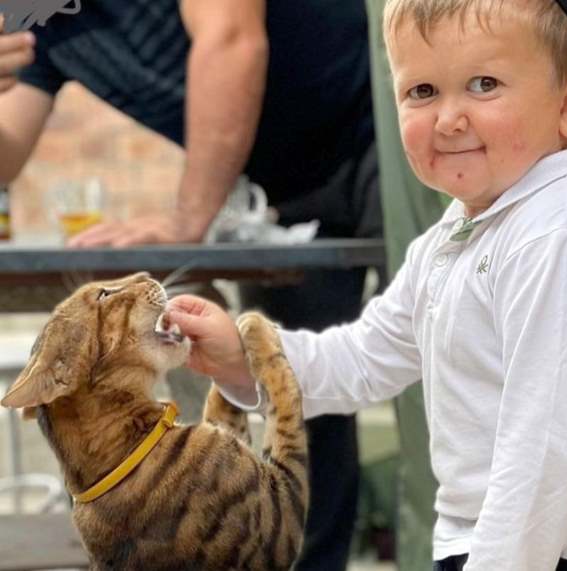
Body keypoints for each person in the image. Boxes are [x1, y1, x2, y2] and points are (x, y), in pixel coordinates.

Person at [168, 0, 567, 569]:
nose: (448, 119)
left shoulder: (562, 239)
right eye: (422, 91)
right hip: (498, 540)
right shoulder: (454, 237)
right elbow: (363, 358)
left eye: (484, 84)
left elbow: (544, 456)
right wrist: (244, 361)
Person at [0, 2, 379, 569]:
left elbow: (231, 40)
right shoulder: (36, 18)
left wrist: (187, 221)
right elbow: (6, 153)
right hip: (283, 189)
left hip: (382, 130)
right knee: (297, 403)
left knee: (450, 364)